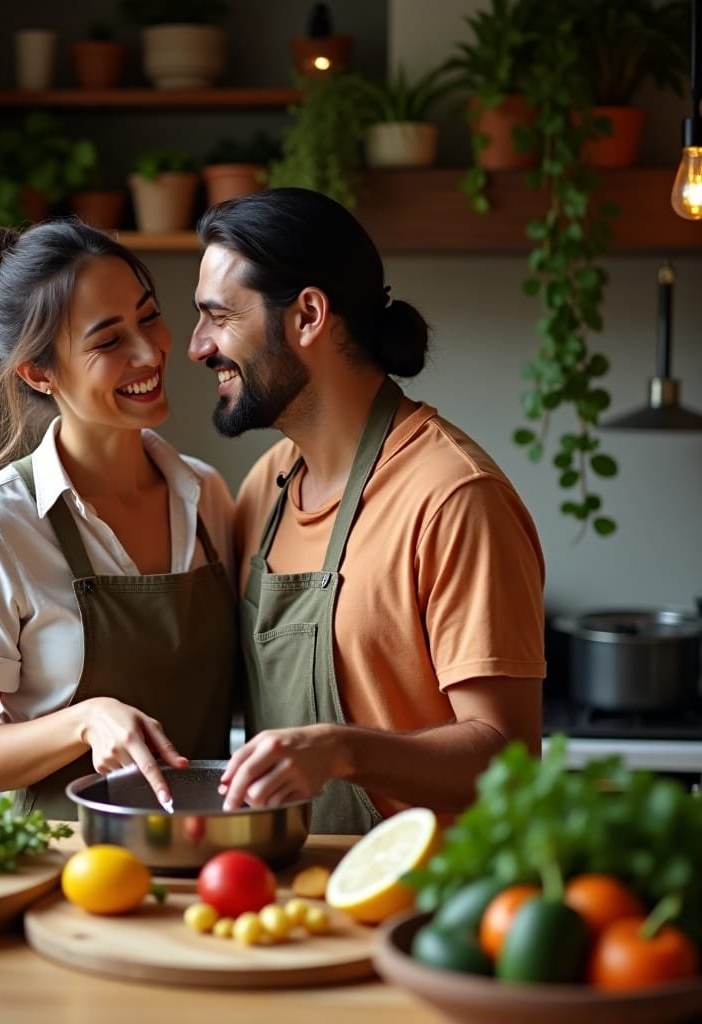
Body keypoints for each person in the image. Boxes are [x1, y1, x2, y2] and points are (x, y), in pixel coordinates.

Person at [188, 187, 546, 834]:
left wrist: (343, 750)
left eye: (218, 316)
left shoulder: (453, 498)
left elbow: (509, 757)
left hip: (423, 907)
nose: (197, 346)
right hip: (293, 895)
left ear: (307, 316)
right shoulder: (265, 486)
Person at [0, 214, 239, 819]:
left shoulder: (208, 497)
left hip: (204, 860)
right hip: (64, 872)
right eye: (109, 340)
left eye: (148, 316)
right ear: (38, 372)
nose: (150, 350)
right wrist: (84, 721)